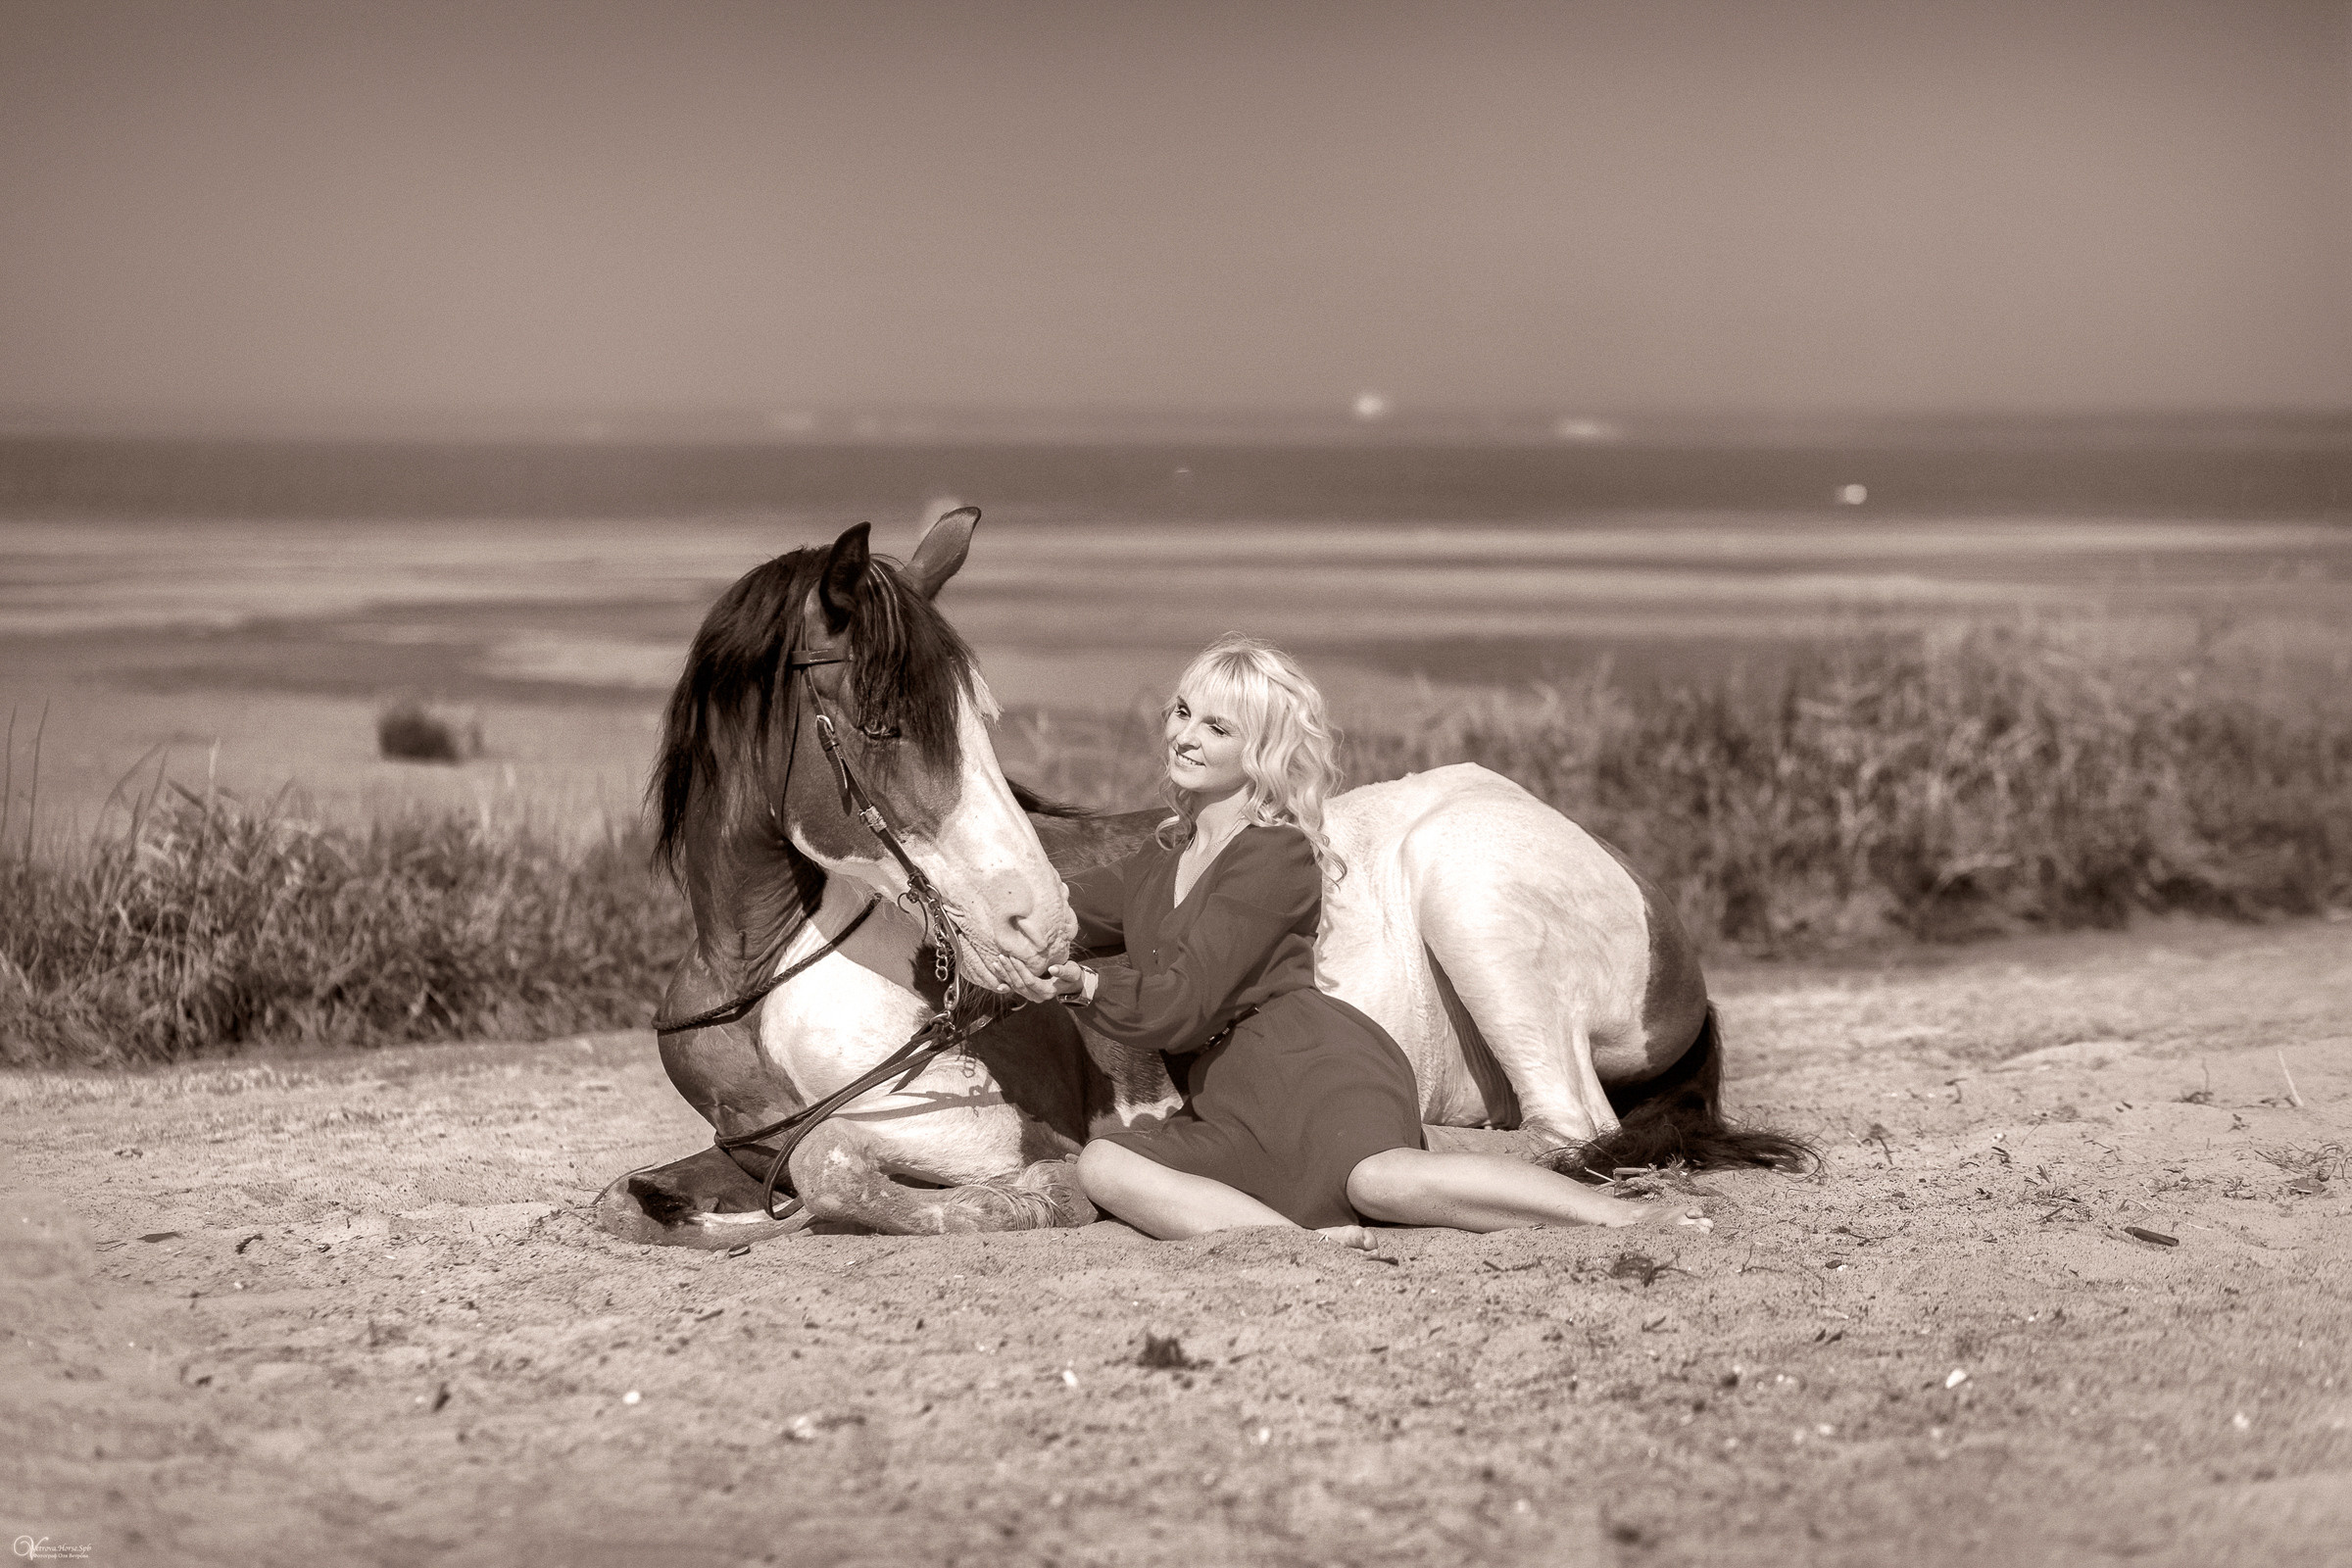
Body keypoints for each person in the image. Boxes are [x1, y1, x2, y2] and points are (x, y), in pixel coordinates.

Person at [1013, 633, 1686, 1245]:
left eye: (1218, 727)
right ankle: (1300, 1243)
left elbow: (1189, 1001)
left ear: (1261, 752)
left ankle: (1619, 1213)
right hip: (1227, 1104)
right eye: (1182, 711)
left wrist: (1087, 984)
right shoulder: (1160, 863)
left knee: (1381, 1183)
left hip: (1315, 1074)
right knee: (1105, 1164)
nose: (1185, 736)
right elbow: (1060, 902)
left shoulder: (1275, 856)